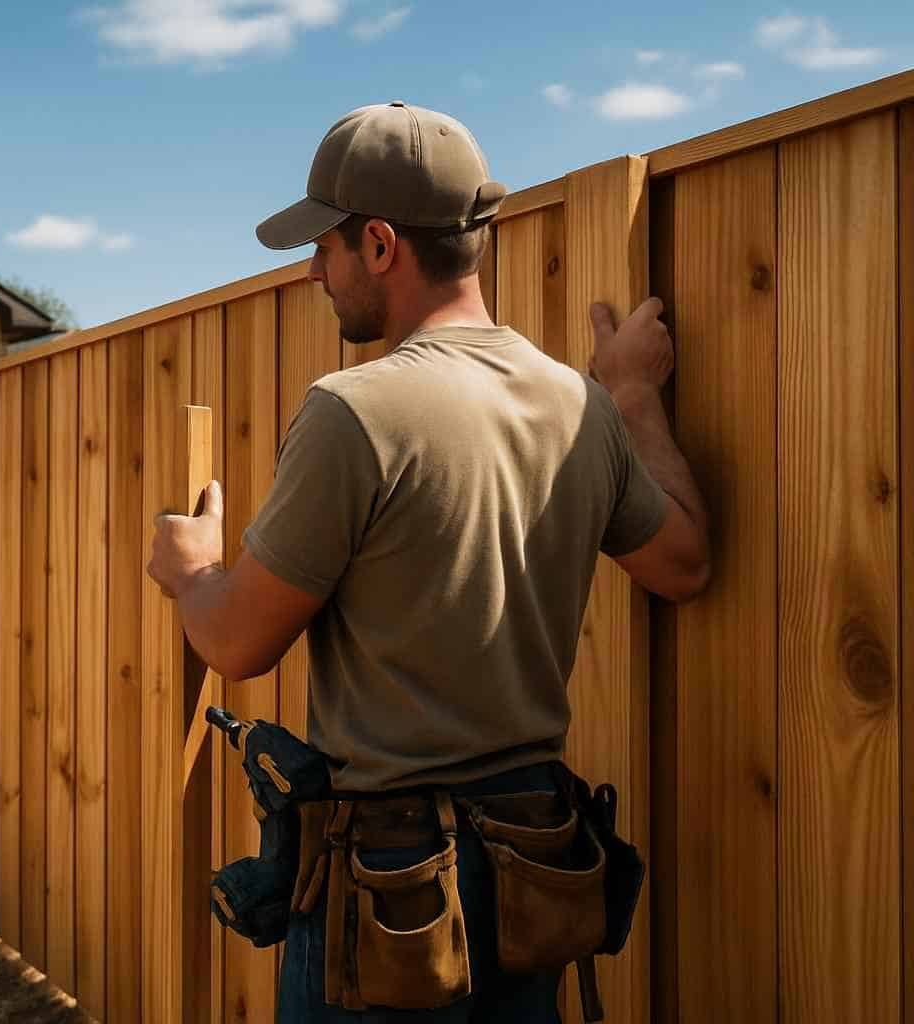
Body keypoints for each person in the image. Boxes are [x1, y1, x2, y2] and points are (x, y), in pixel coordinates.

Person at [147, 101, 711, 1021]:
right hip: (537, 870)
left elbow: (239, 644)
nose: (314, 270)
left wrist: (190, 571)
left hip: (390, 900)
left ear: (379, 245)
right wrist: (636, 395)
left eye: (324, 246)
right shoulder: (580, 406)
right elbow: (684, 565)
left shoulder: (354, 411)